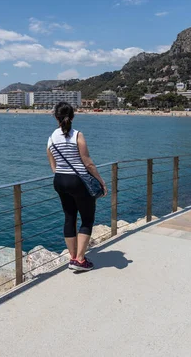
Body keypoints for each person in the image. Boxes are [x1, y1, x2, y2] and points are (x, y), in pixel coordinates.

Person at [47, 102, 107, 272]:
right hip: (77, 181)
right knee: (87, 219)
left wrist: (63, 174)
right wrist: (101, 181)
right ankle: (80, 260)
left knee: (69, 217)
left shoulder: (51, 138)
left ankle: (73, 258)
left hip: (59, 180)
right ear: (73, 116)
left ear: (55, 117)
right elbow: (88, 163)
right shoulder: (77, 136)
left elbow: (53, 165)